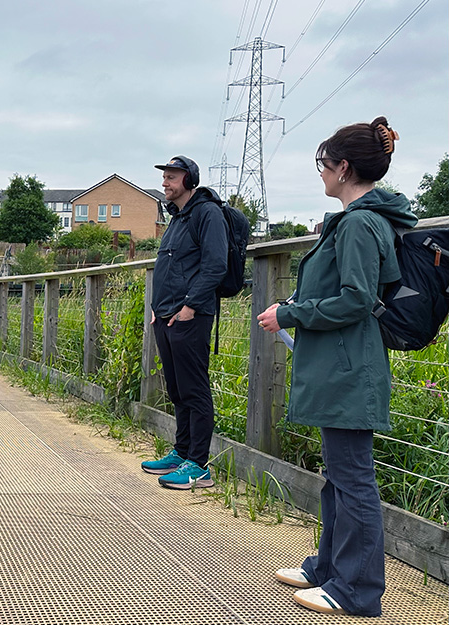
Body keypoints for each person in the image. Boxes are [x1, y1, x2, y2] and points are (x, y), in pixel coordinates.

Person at [257, 117, 414, 617]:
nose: (320, 173)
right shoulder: (357, 221)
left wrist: (290, 312)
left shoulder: (361, 224)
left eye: (323, 164)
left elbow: (357, 299)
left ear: (343, 168)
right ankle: (329, 567)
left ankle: (357, 591)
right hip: (341, 364)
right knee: (339, 475)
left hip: (350, 367)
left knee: (354, 479)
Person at [141, 155, 227, 489]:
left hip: (190, 316)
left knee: (194, 388)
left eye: (172, 177)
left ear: (189, 180)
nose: (165, 183)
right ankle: (181, 452)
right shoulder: (178, 217)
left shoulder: (207, 213)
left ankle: (199, 464)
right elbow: (169, 266)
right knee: (177, 389)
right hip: (166, 315)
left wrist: (190, 306)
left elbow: (216, 265)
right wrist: (156, 307)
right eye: (164, 177)